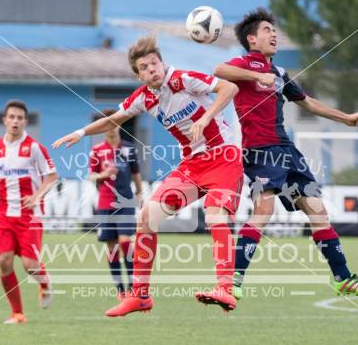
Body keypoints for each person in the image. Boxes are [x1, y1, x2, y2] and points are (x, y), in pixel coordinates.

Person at [53, 36, 243, 316]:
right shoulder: (144, 98)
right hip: (192, 165)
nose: (152, 69)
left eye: (154, 62)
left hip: (225, 156)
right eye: (144, 66)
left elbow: (230, 87)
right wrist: (81, 132)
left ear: (162, 62)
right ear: (138, 74)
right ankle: (140, 297)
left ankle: (224, 289)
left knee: (215, 215)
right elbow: (114, 119)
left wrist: (205, 118)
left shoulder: (183, 79)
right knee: (146, 217)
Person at [213, 8, 358, 299]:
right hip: (260, 151)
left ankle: (343, 278)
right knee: (264, 210)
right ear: (252, 40)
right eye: (266, 30)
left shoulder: (279, 73)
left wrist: (345, 117)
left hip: (288, 151)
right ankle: (233, 280)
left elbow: (307, 103)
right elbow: (219, 71)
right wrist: (254, 75)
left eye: (274, 30)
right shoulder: (244, 64)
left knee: (317, 210)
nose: (273, 34)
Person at [0, 100, 59, 324]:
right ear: (4, 120)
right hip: (2, 213)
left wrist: (36, 196)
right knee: (4, 260)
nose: (15, 121)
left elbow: (52, 177)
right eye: (11, 117)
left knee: (30, 266)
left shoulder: (34, 148)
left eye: (19, 118)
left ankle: (45, 283)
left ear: (25, 122)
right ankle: (17, 313)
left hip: (29, 216)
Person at [88, 109, 143, 301]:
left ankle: (133, 286)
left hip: (126, 201)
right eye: (107, 124)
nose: (111, 128)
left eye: (114, 123)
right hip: (105, 202)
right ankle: (121, 290)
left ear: (119, 125)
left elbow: (135, 173)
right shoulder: (97, 151)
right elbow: (91, 176)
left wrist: (140, 192)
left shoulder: (129, 148)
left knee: (125, 243)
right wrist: (102, 175)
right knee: (111, 249)